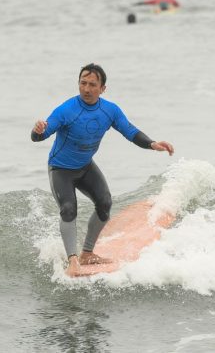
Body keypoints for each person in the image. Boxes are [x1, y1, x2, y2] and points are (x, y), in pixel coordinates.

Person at [30, 63, 174, 277]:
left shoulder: (110, 110)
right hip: (60, 169)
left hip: (85, 166)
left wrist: (152, 144)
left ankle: (87, 253)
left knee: (105, 203)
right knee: (68, 208)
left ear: (103, 88)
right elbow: (41, 135)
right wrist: (37, 131)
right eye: (83, 83)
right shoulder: (67, 110)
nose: (86, 89)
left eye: (92, 85)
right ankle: (73, 261)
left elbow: (130, 131)